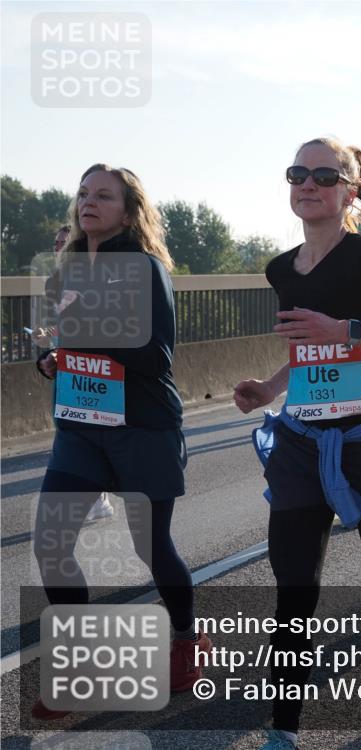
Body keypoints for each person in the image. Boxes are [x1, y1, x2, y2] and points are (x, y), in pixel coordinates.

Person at [233, 137, 361, 750]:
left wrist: (344, 329)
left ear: (350, 192)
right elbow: (307, 351)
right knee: (295, 590)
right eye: (298, 172)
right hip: (302, 443)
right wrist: (269, 388)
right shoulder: (281, 268)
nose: (308, 183)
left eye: (325, 175)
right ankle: (283, 734)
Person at [31, 164, 207, 720]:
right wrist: (57, 355)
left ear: (129, 211)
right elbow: (73, 342)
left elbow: (154, 357)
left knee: (151, 549)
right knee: (51, 544)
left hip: (142, 428)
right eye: (83, 193)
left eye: (104, 195)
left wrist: (89, 331)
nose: (89, 202)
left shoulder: (142, 266)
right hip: (82, 428)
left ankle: (186, 638)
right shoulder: (69, 268)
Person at [35, 226, 118, 523]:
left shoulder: (90, 278)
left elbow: (83, 322)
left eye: (63, 242)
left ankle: (95, 498)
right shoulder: (55, 281)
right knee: (71, 430)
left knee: (83, 433)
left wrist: (58, 339)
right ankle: (95, 497)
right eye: (55, 242)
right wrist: (49, 344)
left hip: (89, 368)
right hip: (67, 364)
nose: (58, 247)